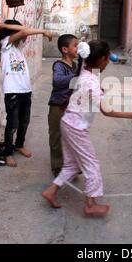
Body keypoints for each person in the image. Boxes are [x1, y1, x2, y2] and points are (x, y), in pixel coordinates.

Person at [42, 40, 132, 217]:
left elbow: (89, 89)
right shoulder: (90, 80)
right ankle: (90, 204)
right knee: (92, 164)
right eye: (106, 60)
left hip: (68, 122)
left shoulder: (84, 72)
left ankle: (51, 190)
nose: (107, 63)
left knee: (72, 164)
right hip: (76, 127)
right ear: (100, 60)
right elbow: (106, 111)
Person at [0, 19, 53, 167]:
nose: (22, 36)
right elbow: (23, 30)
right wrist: (42, 31)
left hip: (25, 90)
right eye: (16, 33)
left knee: (24, 121)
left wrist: (6, 26)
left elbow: (23, 29)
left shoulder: (18, 47)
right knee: (12, 124)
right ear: (10, 33)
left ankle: (19, 144)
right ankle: (8, 153)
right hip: (12, 92)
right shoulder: (5, 44)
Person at [48, 34, 79, 177]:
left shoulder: (77, 66)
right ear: (65, 49)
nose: (77, 48)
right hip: (58, 106)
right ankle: (57, 166)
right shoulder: (59, 65)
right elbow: (57, 81)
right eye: (75, 45)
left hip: (72, 107)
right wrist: (77, 77)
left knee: (71, 136)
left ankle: (71, 164)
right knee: (56, 136)